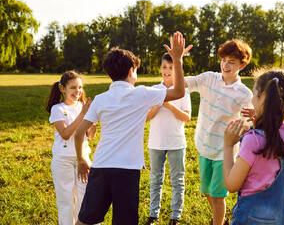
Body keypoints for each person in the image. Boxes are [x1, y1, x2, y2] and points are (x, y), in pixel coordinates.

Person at [74, 31, 192, 225]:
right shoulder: (142, 94)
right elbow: (179, 91)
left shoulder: (100, 99)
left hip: (100, 167)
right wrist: (177, 60)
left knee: (85, 219)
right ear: (131, 72)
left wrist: (81, 160)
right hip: (127, 170)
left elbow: (79, 133)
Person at [223, 69, 284, 224]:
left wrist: (227, 146)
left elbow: (231, 184)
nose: (252, 99)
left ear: (264, 97)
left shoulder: (254, 140)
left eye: (254, 93)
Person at [184, 39, 253, 225]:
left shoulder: (245, 94)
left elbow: (248, 126)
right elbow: (182, 84)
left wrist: (236, 134)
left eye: (232, 61)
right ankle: (221, 220)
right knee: (207, 191)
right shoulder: (208, 78)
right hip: (203, 145)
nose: (226, 65)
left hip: (224, 152)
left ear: (242, 64)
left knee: (217, 195)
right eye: (224, 60)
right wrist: (177, 61)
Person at [145, 53, 191, 225]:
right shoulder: (154, 90)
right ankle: (153, 214)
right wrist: (159, 102)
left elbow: (187, 118)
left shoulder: (182, 91)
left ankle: (175, 217)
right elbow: (147, 116)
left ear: (177, 69)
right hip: (156, 142)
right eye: (164, 66)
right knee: (156, 178)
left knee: (177, 180)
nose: (167, 70)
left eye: (171, 67)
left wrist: (169, 105)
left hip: (176, 142)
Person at [45, 70, 96, 225]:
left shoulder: (83, 107)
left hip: (83, 158)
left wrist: (91, 116)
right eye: (73, 87)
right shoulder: (58, 109)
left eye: (79, 87)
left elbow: (91, 135)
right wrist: (82, 114)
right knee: (66, 202)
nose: (77, 91)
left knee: (85, 198)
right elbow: (66, 134)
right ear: (63, 88)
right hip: (63, 159)